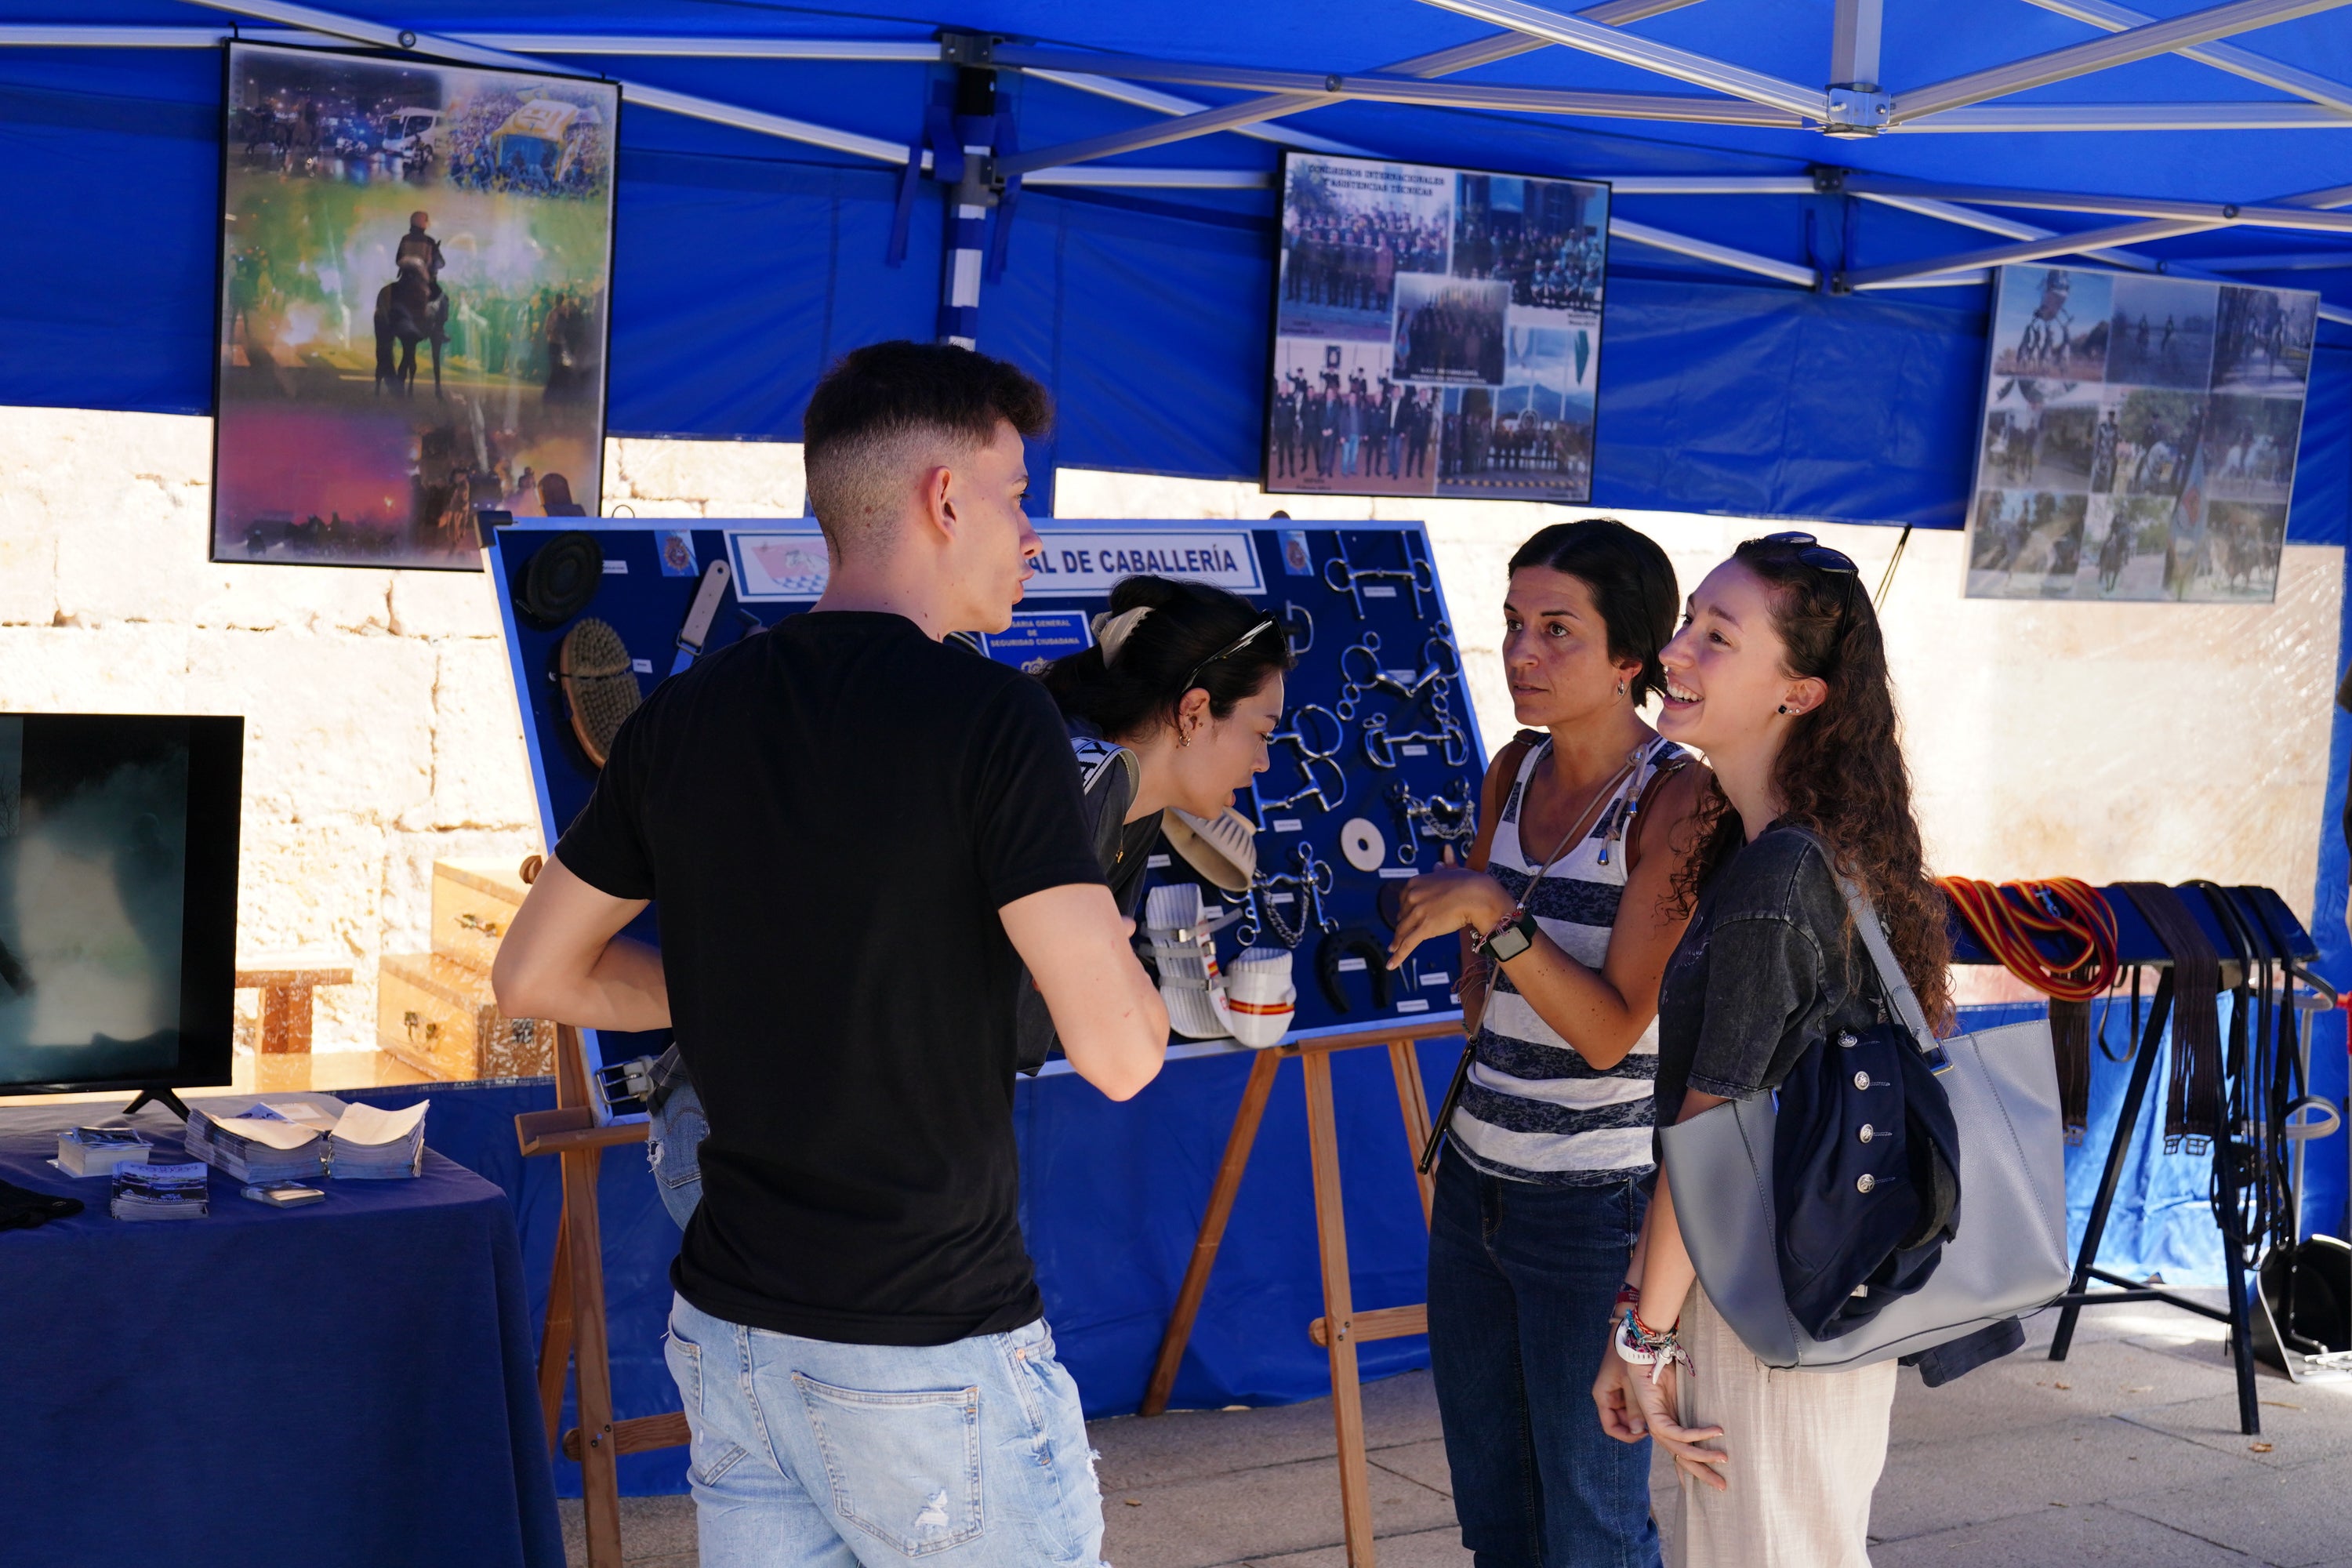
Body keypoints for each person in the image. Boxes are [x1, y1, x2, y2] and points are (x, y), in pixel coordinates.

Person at [492, 340, 1168, 1568]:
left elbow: (533, 975)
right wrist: (1112, 948)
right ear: (945, 496)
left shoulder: (686, 716)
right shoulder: (995, 719)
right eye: (1020, 498)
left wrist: (723, 986)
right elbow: (1119, 1055)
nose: (1034, 537)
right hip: (923, 1345)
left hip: (734, 1336)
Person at [1594, 532, 1953, 1568]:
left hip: (1765, 1303)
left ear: (1799, 694)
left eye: (1717, 636)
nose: (1675, 652)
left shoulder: (1776, 878)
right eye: (1688, 624)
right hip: (1798, 1284)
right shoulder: (1794, 852)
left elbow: (1712, 1133)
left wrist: (1642, 1334)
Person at [1385, 519, 1705, 1568]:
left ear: (1633, 660)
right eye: (1515, 625)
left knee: (1592, 1520)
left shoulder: (1678, 799)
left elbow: (1615, 1032)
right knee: (1496, 1512)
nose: (1522, 654)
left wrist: (1495, 912)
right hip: (1476, 1185)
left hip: (1594, 1209)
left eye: (1558, 630)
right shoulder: (1513, 769)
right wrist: (1485, 941)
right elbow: (1487, 996)